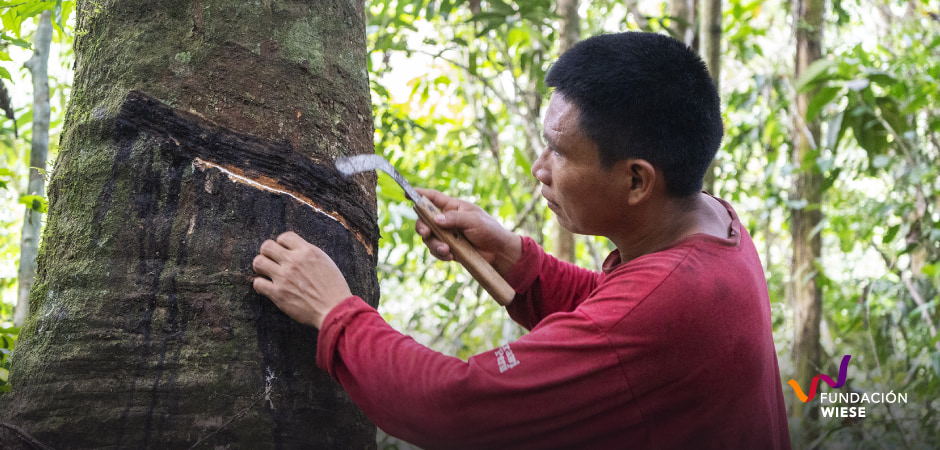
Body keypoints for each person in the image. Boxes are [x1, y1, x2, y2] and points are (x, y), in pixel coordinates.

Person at [252, 31, 791, 449]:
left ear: (636, 180)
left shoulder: (672, 301)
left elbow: (454, 407)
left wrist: (337, 314)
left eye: (559, 152)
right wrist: (512, 256)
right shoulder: (715, 225)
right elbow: (617, 316)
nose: (540, 169)